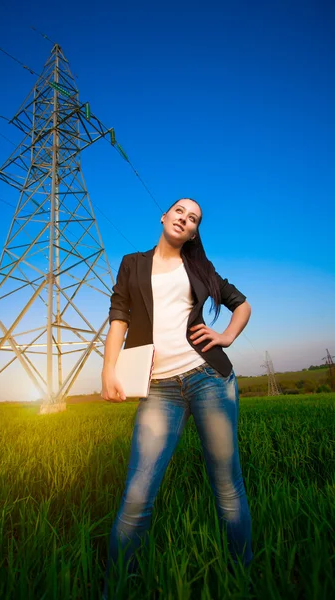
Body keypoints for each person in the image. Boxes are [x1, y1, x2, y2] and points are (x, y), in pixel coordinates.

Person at [101, 197, 253, 598]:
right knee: (137, 493)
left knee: (227, 488)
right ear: (165, 217)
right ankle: (116, 588)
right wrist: (109, 370)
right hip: (159, 388)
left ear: (194, 230)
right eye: (180, 212)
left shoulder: (200, 268)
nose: (185, 220)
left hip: (208, 379)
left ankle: (242, 580)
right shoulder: (133, 263)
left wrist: (226, 336)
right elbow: (119, 317)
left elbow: (242, 304)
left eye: (194, 219)